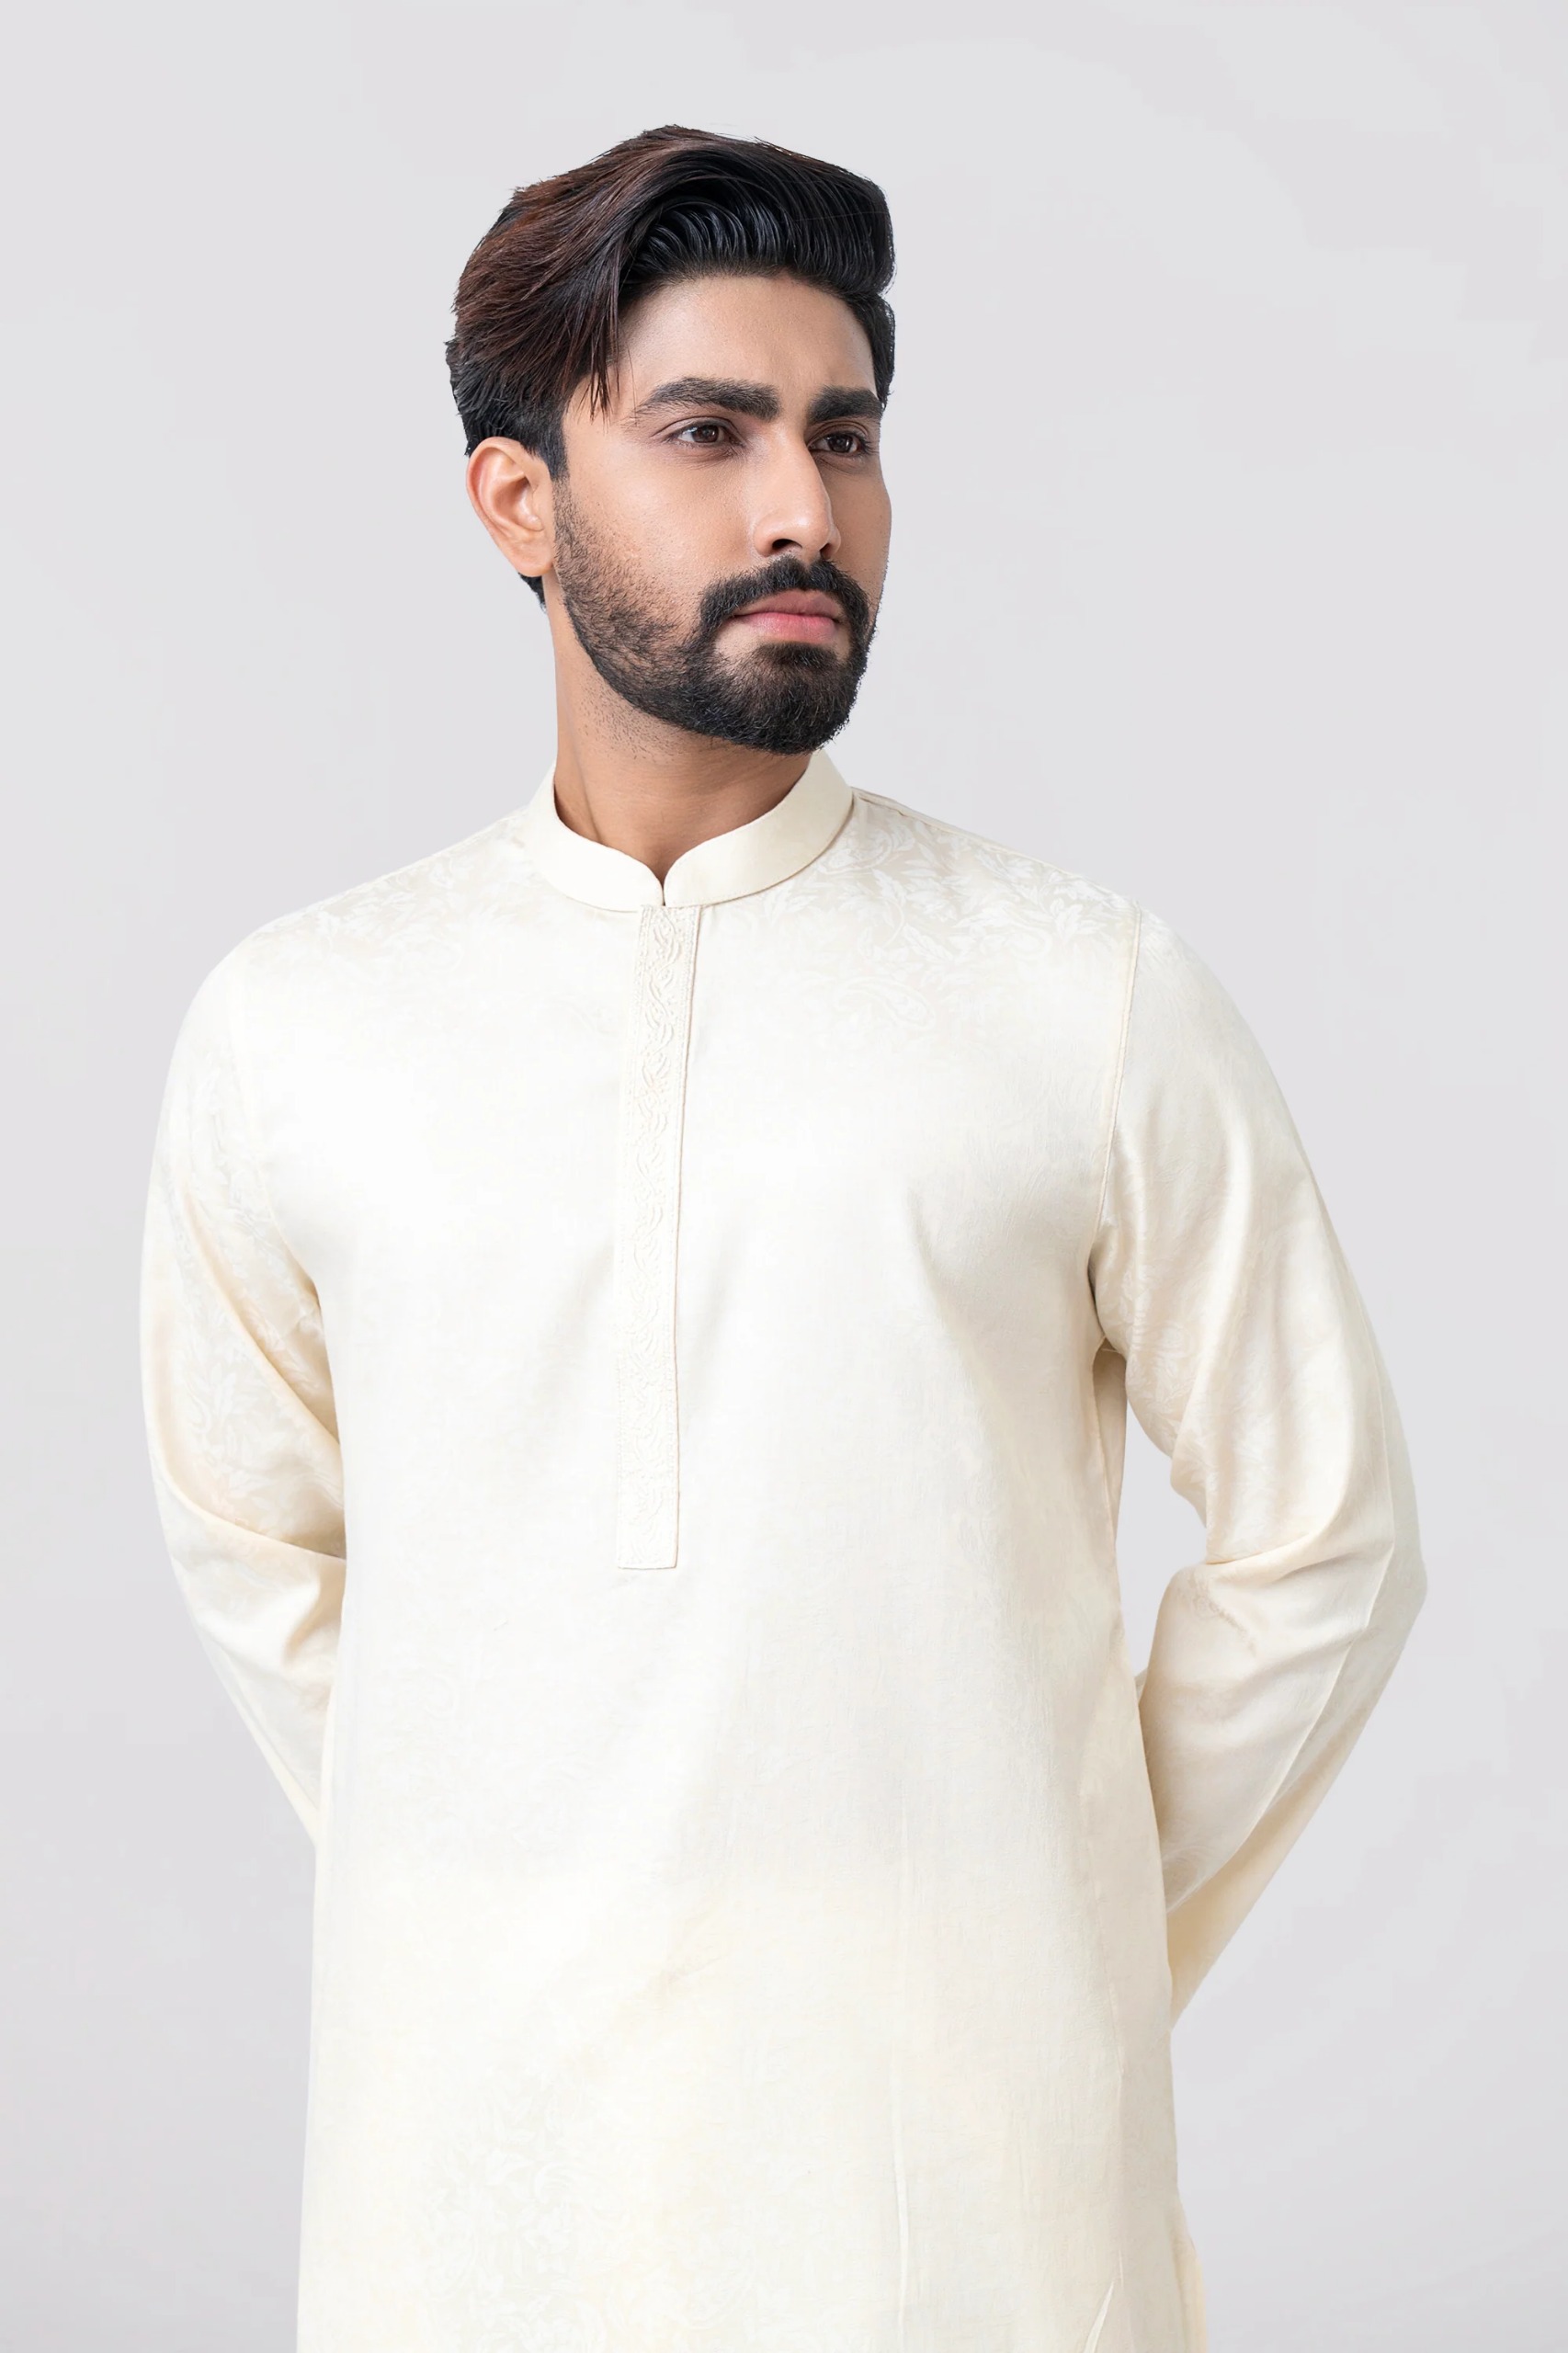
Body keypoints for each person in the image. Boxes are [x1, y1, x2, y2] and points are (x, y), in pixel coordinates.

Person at [141, 124, 1426, 2353]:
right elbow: (258, 1552)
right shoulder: (301, 1026)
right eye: (706, 432)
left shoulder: (1080, 990)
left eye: (843, 435)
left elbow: (1328, 1541)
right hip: (468, 2203)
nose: (802, 509)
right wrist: (518, 1902)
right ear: (517, 499)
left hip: (967, 2216)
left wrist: (1048, 1924)